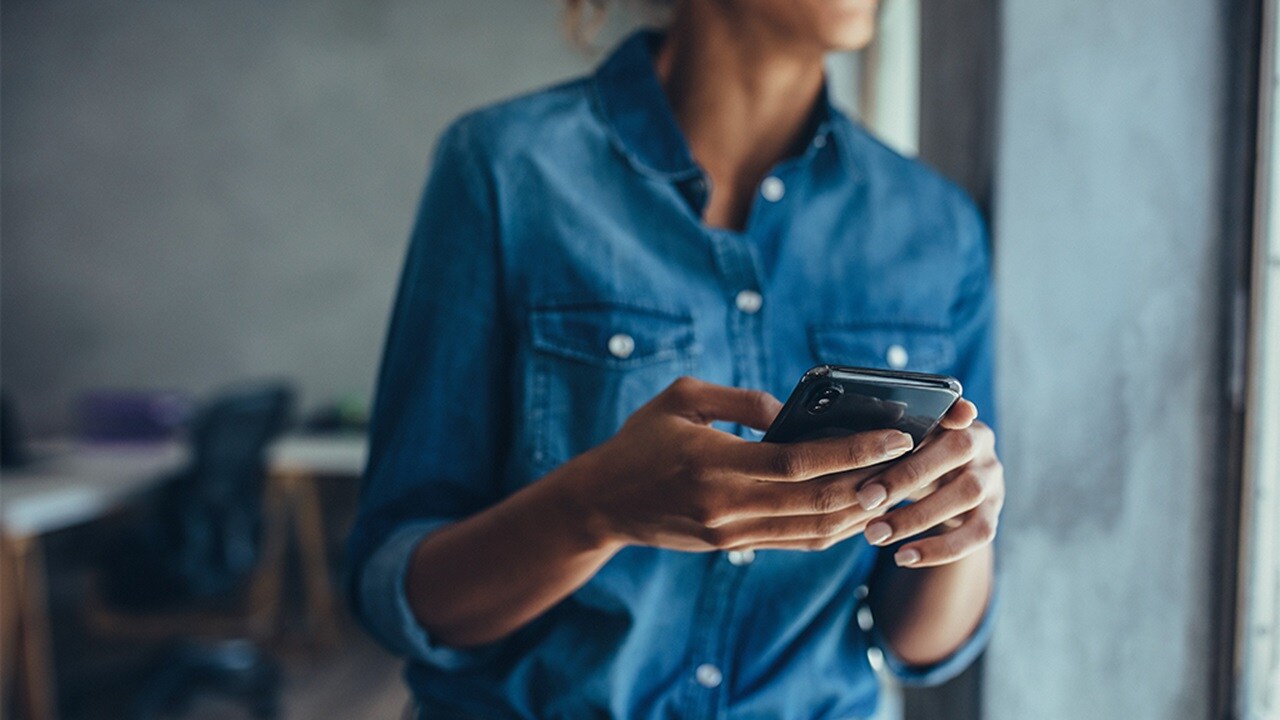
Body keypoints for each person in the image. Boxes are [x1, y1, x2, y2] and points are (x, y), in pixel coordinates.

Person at [347, 1, 1005, 717]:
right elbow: (403, 596)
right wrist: (592, 508)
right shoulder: (504, 170)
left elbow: (919, 646)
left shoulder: (937, 228)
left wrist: (960, 525)